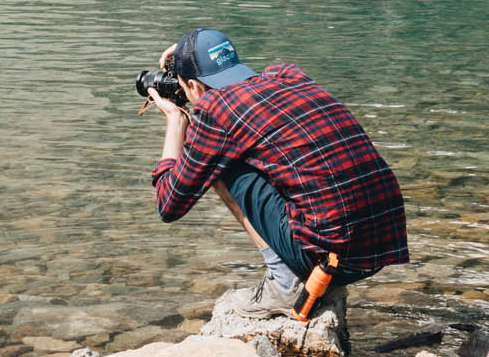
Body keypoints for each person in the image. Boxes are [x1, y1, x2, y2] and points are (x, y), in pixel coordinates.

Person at [145, 27, 408, 316]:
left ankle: (285, 284)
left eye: (183, 87)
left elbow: (168, 204)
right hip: (381, 248)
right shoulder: (288, 76)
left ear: (194, 87)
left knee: (221, 164)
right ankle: (304, 268)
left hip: (335, 261)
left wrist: (176, 121)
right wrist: (192, 53)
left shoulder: (214, 108)